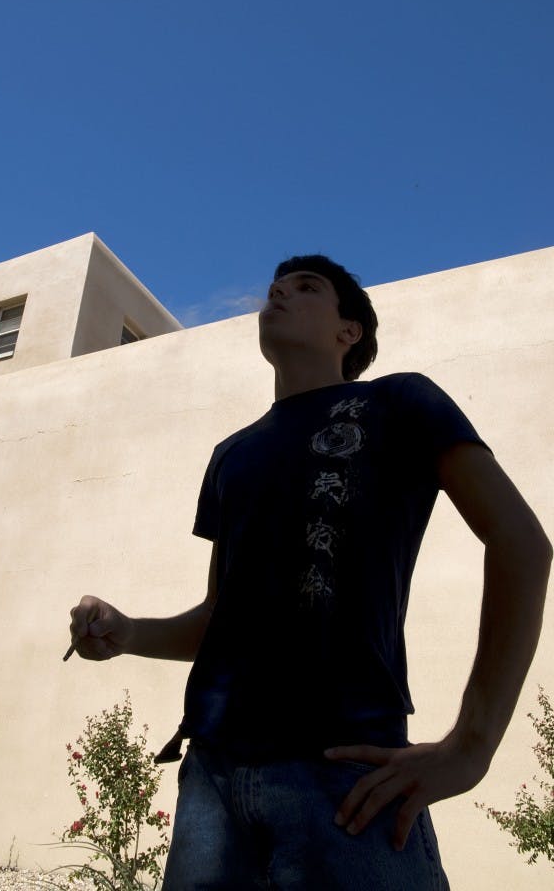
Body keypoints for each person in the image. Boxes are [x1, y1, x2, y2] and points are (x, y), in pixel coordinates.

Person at [69, 255, 551, 890]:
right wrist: (129, 632)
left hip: (346, 774)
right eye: (275, 285)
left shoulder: (400, 401)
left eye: (306, 287)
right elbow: (220, 616)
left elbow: (522, 544)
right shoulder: (231, 454)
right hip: (212, 779)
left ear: (349, 331)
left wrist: (471, 747)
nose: (278, 292)